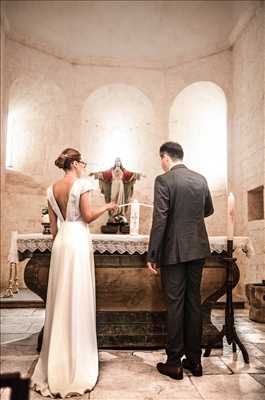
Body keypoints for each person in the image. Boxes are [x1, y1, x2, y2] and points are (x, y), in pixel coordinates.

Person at [31, 148, 116, 397]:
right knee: (77, 297)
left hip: (61, 243)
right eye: (83, 162)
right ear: (76, 164)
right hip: (77, 239)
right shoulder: (82, 184)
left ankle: (55, 360)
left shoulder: (51, 188)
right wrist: (108, 206)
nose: (84, 166)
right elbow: (87, 217)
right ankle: (76, 362)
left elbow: (54, 229)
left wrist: (61, 243)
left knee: (60, 299)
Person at [147, 141, 214, 380]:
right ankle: (195, 362)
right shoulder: (200, 178)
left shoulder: (163, 180)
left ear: (165, 157)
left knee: (175, 303)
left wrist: (152, 253)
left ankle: (174, 362)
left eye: (160, 159)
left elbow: (160, 219)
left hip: (174, 252)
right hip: (197, 248)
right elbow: (208, 210)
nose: (161, 164)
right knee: (193, 302)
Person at [90, 158, 143, 224]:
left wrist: (140, 174)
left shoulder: (123, 171)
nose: (118, 163)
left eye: (119, 161)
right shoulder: (111, 170)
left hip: (121, 186)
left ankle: (120, 214)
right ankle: (113, 214)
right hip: (114, 186)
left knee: (120, 199)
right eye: (116, 161)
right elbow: (104, 174)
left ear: (121, 163)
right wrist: (95, 174)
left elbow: (131, 174)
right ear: (115, 163)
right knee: (113, 198)